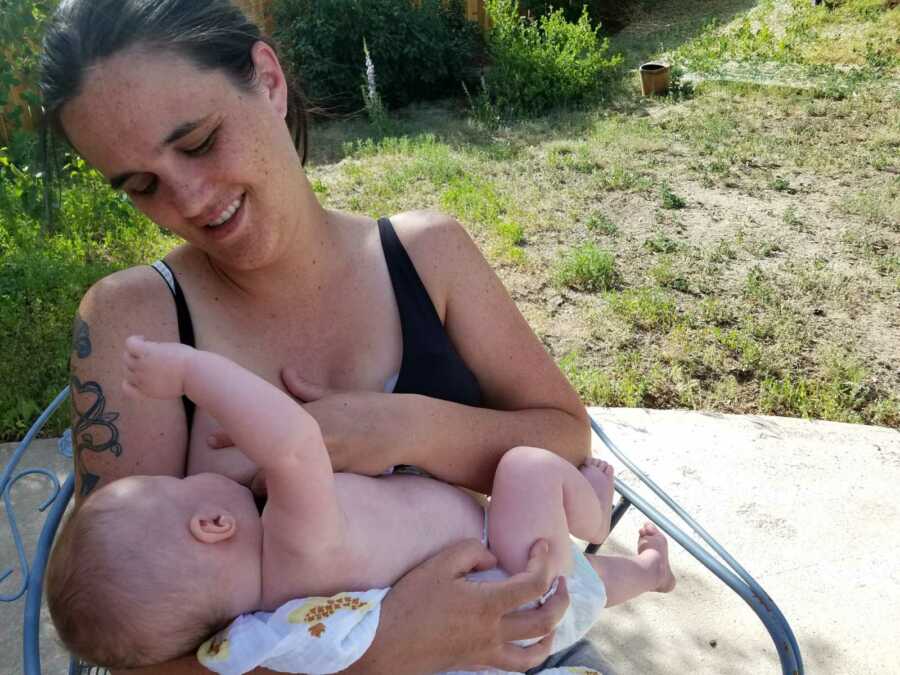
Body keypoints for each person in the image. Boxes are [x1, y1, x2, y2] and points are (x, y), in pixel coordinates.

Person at [41, 0, 603, 672]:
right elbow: (133, 651)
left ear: (269, 82)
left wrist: (402, 426)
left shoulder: (429, 257)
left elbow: (566, 437)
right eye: (141, 185)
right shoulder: (132, 321)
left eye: (198, 142)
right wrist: (383, 648)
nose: (187, 200)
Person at [46, 337, 675, 671]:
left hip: (512, 609)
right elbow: (293, 442)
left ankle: (649, 574)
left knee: (589, 586)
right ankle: (595, 510)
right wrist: (188, 372)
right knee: (528, 466)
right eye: (178, 486)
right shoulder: (293, 539)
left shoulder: (269, 623)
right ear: (212, 525)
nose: (193, 478)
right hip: (513, 586)